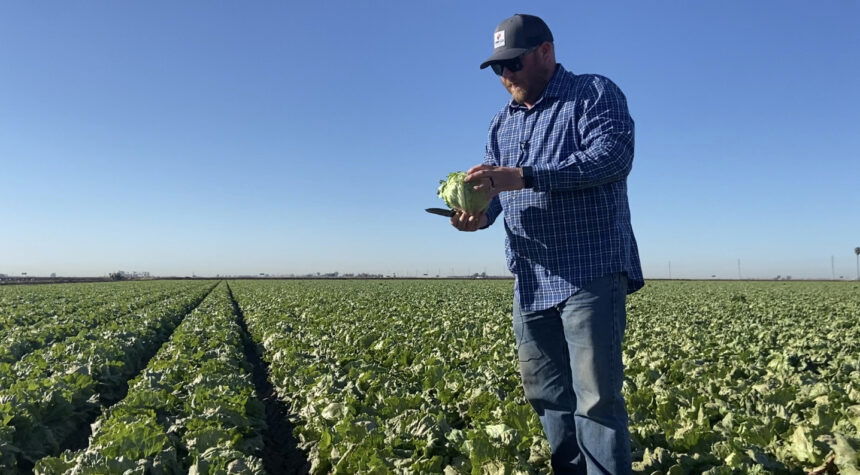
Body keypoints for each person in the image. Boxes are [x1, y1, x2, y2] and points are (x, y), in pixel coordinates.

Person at [451, 13, 644, 474]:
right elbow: (498, 195)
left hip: (589, 272)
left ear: (545, 52)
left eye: (513, 64)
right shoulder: (503, 123)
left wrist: (525, 175)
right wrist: (477, 218)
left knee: (595, 401)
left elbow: (612, 158)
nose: (506, 76)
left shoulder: (592, 94)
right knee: (547, 396)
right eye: (498, 70)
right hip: (532, 280)